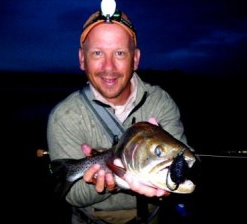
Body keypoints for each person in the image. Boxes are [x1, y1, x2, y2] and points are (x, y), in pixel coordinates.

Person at [47, 4, 192, 224]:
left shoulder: (160, 102)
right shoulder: (64, 116)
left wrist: (173, 178)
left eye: (120, 53)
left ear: (135, 58)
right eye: (97, 53)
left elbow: (185, 163)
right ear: (82, 59)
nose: (109, 67)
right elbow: (71, 195)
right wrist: (109, 184)